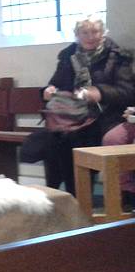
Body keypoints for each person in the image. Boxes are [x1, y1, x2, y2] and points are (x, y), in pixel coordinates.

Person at [37, 15, 135, 196]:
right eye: (84, 32)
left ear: (103, 33)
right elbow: (56, 83)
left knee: (75, 138)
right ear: (77, 34)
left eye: (95, 31)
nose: (90, 37)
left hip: (105, 116)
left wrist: (100, 93)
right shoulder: (68, 56)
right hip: (72, 115)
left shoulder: (118, 56)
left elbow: (128, 92)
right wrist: (48, 91)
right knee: (51, 139)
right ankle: (56, 195)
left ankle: (80, 198)